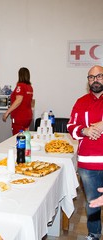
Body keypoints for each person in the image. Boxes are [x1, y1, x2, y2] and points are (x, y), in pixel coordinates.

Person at [67, 65, 103, 240]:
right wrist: (85, 131)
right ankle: (94, 234)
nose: (95, 80)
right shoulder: (81, 102)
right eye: (91, 77)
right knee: (93, 204)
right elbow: (70, 126)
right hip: (88, 164)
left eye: (99, 76)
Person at [2, 67, 33, 135]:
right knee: (25, 137)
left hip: (20, 117)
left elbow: (18, 100)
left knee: (18, 138)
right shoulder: (30, 87)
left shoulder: (20, 86)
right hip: (28, 117)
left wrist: (7, 112)